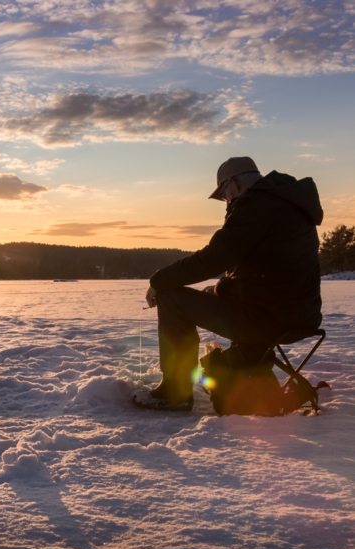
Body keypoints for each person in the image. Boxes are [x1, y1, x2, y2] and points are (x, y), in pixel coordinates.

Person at [136, 156, 323, 411]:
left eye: (223, 193)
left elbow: (215, 258)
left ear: (233, 184)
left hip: (265, 318)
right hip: (299, 315)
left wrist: (160, 279)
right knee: (209, 294)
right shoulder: (286, 204)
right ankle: (244, 378)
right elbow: (265, 271)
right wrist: (217, 289)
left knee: (171, 299)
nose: (226, 200)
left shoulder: (256, 205)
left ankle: (175, 392)